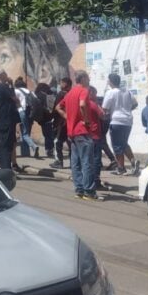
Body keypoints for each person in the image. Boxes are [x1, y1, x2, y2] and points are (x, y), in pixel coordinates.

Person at [56, 71, 97, 200]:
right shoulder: (84, 90)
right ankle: (89, 191)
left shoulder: (69, 93)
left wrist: (67, 117)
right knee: (87, 162)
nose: (89, 80)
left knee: (76, 162)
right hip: (82, 131)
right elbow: (82, 104)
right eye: (88, 78)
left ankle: (79, 189)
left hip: (72, 132)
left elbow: (58, 107)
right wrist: (86, 120)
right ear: (83, 78)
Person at [102, 73, 139, 176]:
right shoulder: (127, 91)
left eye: (108, 80)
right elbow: (135, 104)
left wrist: (107, 114)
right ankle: (133, 161)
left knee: (117, 146)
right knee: (123, 143)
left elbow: (104, 108)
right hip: (128, 121)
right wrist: (127, 110)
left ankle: (121, 168)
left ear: (111, 82)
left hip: (116, 121)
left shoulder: (111, 92)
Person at [0, 70, 21, 170]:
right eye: (5, 74)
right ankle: (6, 168)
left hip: (1, 119)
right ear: (1, 75)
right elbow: (15, 98)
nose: (7, 76)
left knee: (4, 143)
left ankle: (4, 166)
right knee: (7, 145)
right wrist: (11, 85)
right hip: (7, 119)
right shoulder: (3, 87)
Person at [87, 86, 108, 192]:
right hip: (95, 134)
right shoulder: (93, 104)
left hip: (86, 135)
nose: (96, 96)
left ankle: (89, 181)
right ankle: (96, 181)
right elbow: (103, 116)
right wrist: (98, 105)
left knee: (88, 160)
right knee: (96, 160)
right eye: (94, 94)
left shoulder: (84, 104)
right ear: (90, 93)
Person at [14, 77, 40, 158]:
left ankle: (34, 146)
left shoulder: (16, 91)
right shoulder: (30, 92)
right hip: (31, 113)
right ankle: (25, 153)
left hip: (22, 112)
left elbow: (14, 101)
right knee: (27, 132)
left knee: (24, 133)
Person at [50, 77, 71, 168]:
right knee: (70, 142)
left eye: (61, 83)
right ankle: (73, 161)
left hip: (61, 122)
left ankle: (59, 161)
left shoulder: (61, 94)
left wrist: (54, 120)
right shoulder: (72, 93)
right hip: (70, 122)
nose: (60, 85)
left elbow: (57, 108)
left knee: (57, 141)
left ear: (65, 84)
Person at [33, 82, 56, 158]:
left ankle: (48, 149)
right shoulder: (45, 96)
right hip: (48, 117)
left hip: (41, 118)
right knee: (49, 135)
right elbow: (50, 106)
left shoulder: (36, 95)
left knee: (46, 134)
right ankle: (49, 149)